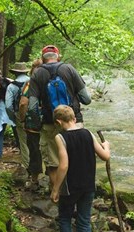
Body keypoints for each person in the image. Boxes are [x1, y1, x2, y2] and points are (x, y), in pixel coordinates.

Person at [51, 105, 110, 232]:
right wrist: (107, 145)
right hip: (88, 185)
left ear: (58, 121)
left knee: (64, 218)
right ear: (74, 119)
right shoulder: (88, 133)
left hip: (71, 187)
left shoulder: (60, 137)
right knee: (84, 222)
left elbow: (63, 166)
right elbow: (105, 156)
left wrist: (56, 189)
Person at [28, 45, 91, 192]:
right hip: (74, 123)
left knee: (54, 163)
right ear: (58, 56)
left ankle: (58, 196)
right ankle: (77, 195)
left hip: (50, 124)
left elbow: (32, 106)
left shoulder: (37, 74)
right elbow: (86, 99)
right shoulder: (69, 69)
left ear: (42, 58)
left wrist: (38, 123)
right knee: (76, 160)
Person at [5, 62, 31, 171]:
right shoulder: (32, 82)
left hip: (20, 115)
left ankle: (27, 166)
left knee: (24, 142)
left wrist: (14, 117)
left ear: (15, 73)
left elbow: (8, 106)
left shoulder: (11, 86)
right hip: (35, 115)